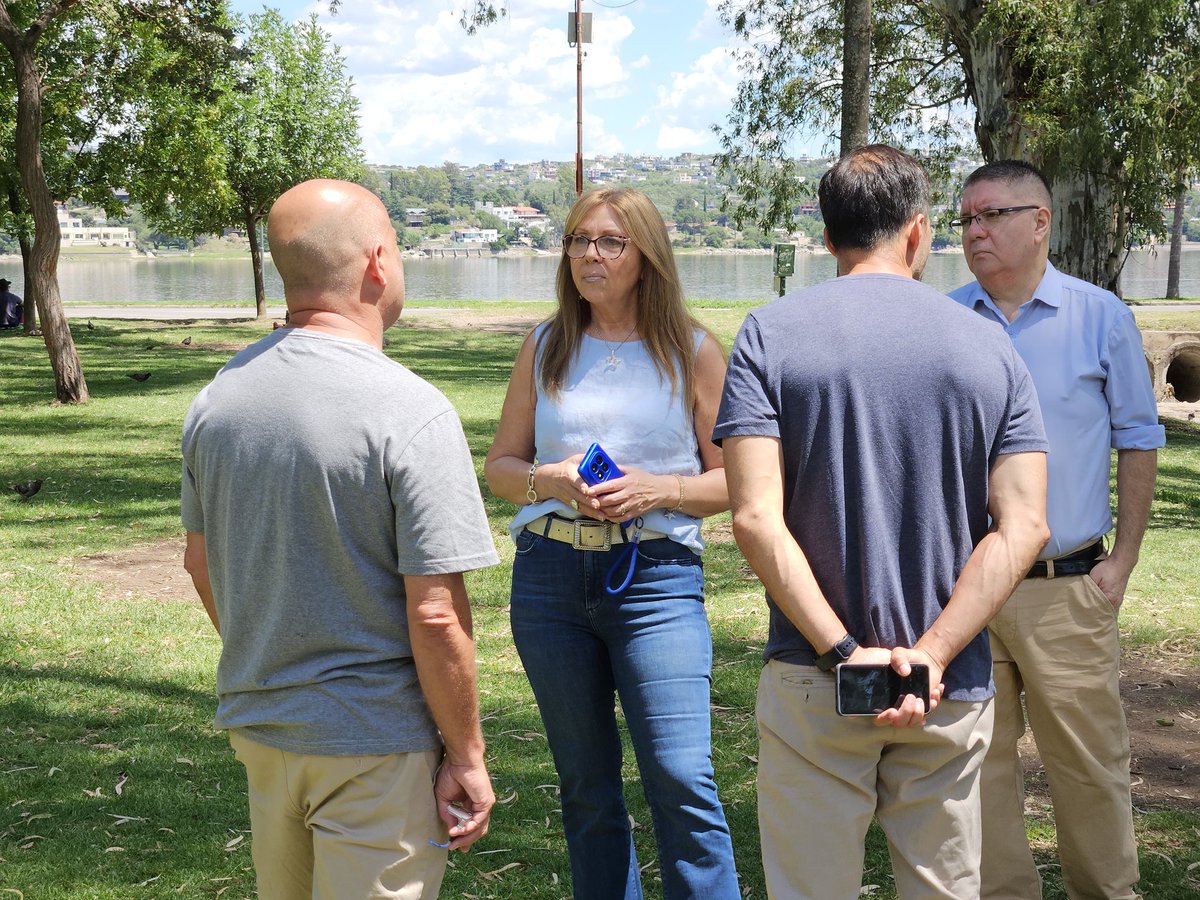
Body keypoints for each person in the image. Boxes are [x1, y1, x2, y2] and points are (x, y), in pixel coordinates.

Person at [714, 144, 1051, 899]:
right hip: (946, 682)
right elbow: (1024, 525)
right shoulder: (989, 345)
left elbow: (755, 518)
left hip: (814, 673)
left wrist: (842, 650)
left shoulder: (768, 335)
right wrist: (930, 652)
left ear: (828, 238)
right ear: (919, 231)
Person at [181, 179, 499, 900]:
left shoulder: (218, 399)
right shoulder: (410, 409)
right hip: (375, 746)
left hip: (263, 732)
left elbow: (201, 563)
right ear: (378, 261)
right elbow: (437, 613)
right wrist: (469, 756)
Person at [484, 187, 740, 899]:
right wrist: (551, 479)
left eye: (609, 242)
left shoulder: (692, 351)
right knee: (587, 786)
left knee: (682, 777)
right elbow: (501, 467)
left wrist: (660, 490)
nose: (589, 255)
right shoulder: (544, 344)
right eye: (577, 241)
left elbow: (739, 484)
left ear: (646, 254)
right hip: (549, 581)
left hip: (656, 579)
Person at [949, 160, 1165, 900]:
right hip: (965, 587)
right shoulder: (946, 321)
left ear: (1040, 222)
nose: (975, 231)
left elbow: (1139, 438)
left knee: (1088, 766)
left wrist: (1126, 559)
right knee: (976, 768)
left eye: (991, 215)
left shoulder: (1099, 315)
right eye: (965, 219)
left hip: (1066, 587)